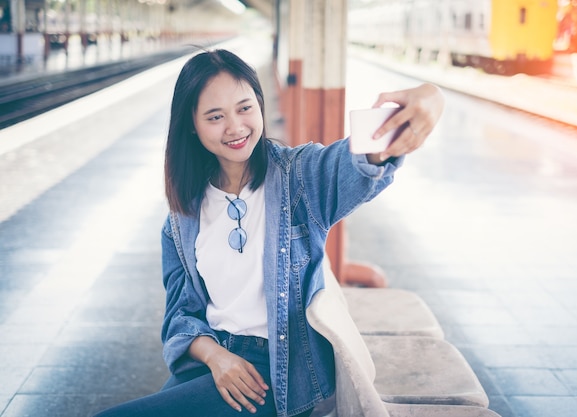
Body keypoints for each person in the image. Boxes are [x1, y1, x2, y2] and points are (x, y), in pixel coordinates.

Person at [93, 48, 444, 417]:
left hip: (278, 374)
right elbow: (180, 316)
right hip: (214, 362)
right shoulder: (181, 221)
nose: (235, 127)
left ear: (260, 105)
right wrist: (216, 357)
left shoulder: (299, 179)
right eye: (215, 116)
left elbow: (357, 163)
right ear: (192, 127)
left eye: (244, 108)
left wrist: (430, 99)